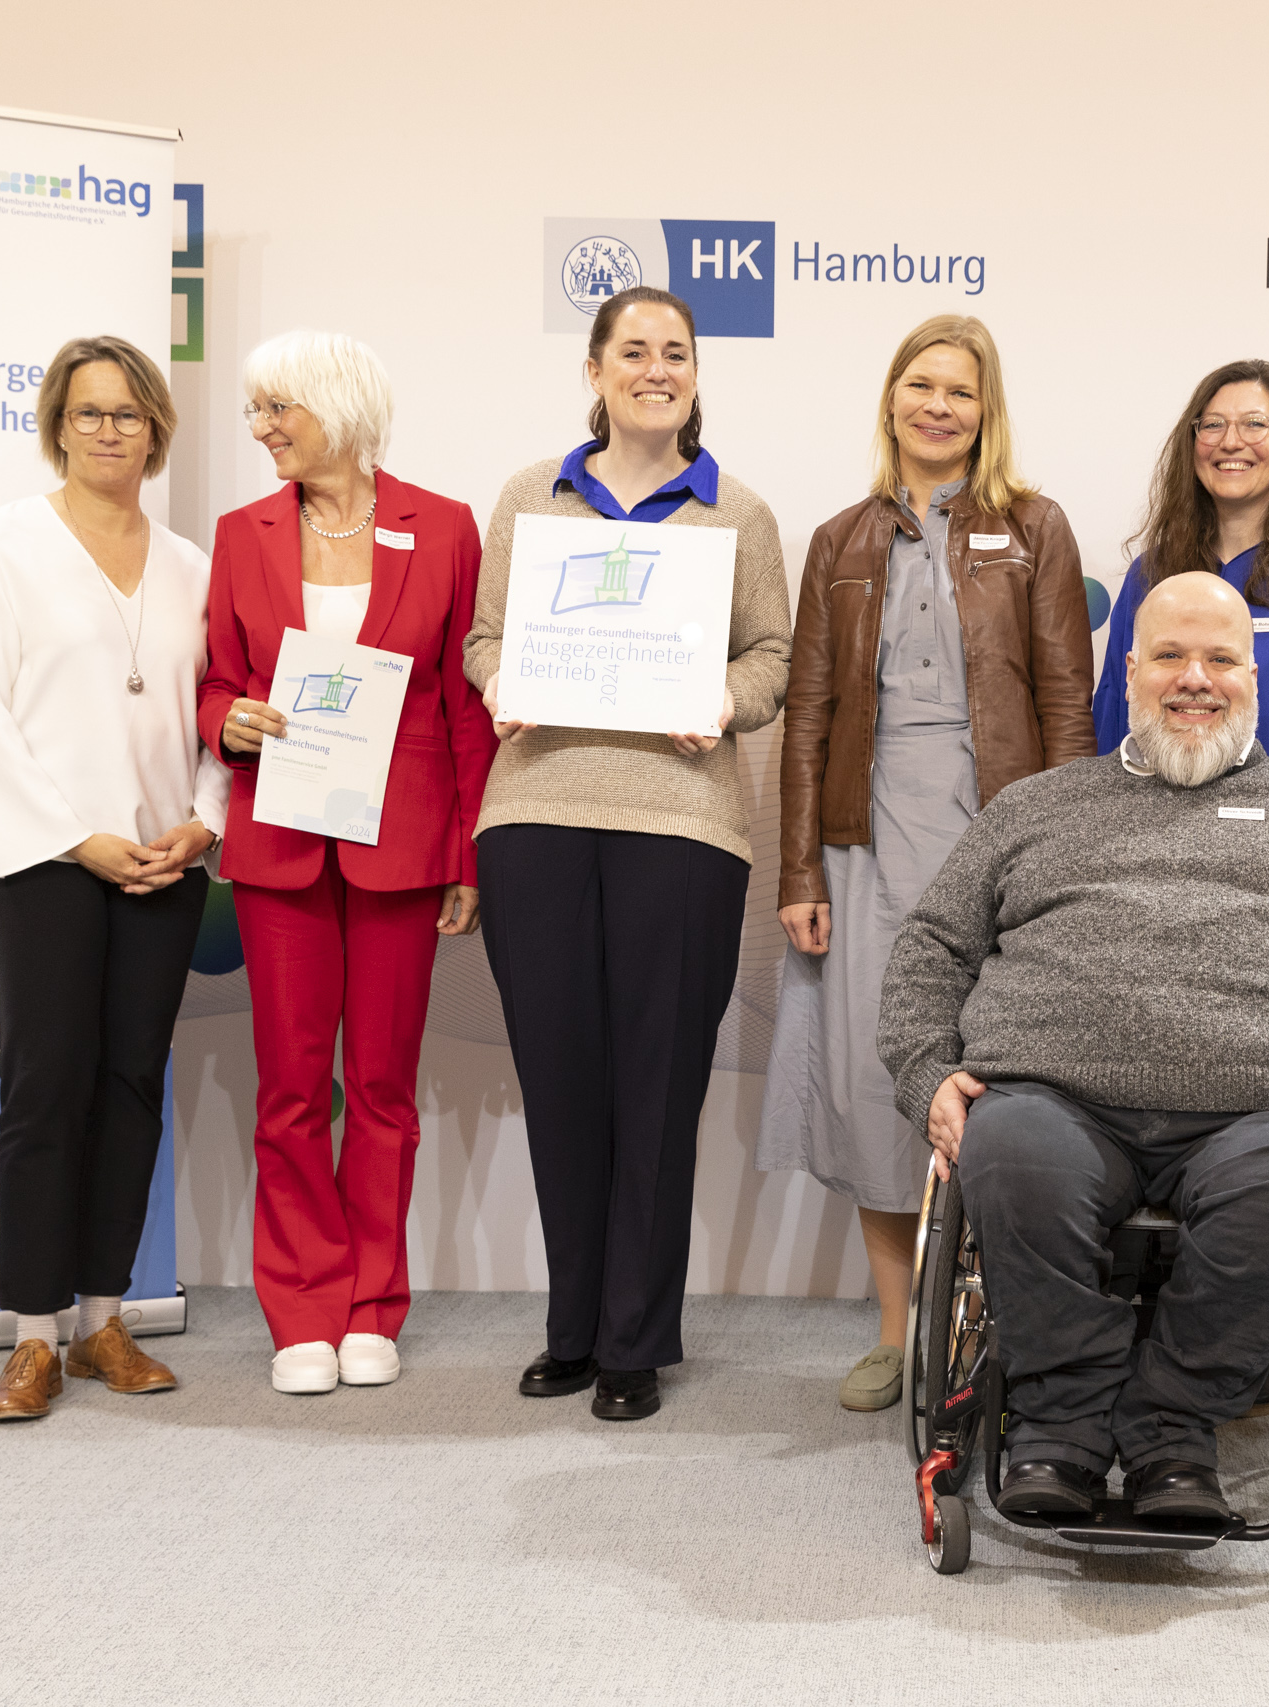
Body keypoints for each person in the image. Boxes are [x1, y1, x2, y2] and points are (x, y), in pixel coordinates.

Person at [878, 572, 1269, 1519]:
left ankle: (1170, 1425)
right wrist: (926, 1072)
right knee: (1007, 1151)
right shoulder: (1035, 807)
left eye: (1220, 659)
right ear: (1130, 672)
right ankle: (1062, 1426)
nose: (1195, 678)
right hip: (1056, 1098)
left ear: (1253, 676)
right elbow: (932, 951)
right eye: (1170, 656)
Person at [466, 285, 792, 1423]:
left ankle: (636, 1339)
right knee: (561, 1083)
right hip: (537, 815)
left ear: (697, 375)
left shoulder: (738, 512)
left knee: (657, 1088)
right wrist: (498, 679)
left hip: (683, 824)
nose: (658, 369)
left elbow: (772, 658)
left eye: (677, 354)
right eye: (635, 351)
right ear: (596, 370)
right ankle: (572, 1326)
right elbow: (485, 636)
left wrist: (723, 696)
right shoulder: (529, 496)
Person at [760, 315, 1094, 1415]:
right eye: (920, 385)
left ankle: (993, 1330)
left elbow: (1064, 704)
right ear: (892, 398)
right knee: (873, 1083)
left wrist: (1070, 858)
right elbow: (806, 715)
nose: (937, 406)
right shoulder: (838, 541)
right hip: (862, 848)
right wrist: (799, 874)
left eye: (960, 390)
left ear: (985, 409)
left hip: (998, 838)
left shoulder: (1036, 529)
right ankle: (901, 1334)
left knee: (1002, 1086)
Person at [200, 330, 494, 1396]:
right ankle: (303, 1310)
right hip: (280, 843)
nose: (262, 429)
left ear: (339, 407)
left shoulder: (446, 528)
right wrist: (224, 716)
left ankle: (374, 1303)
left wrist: (468, 854)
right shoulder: (241, 535)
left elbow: (465, 708)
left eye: (280, 408)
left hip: (402, 845)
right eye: (256, 410)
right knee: (288, 1090)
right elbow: (214, 681)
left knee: (379, 1088)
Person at [0, 335, 225, 1423]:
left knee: (131, 1086)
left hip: (164, 863)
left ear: (156, 431)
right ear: (58, 424)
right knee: (45, 1085)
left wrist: (202, 824)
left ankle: (105, 1318)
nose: (110, 430)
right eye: (89, 412)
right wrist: (76, 838)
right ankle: (32, 1335)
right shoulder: (0, 546)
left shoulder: (196, 566)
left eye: (130, 414)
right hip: (43, 864)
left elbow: (218, 715)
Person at [1090, 359, 1269, 780]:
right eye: (1212, 425)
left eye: (1255, 424)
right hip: (1156, 830)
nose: (1231, 442)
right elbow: (1117, 715)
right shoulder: (1151, 573)